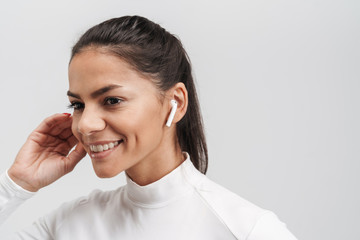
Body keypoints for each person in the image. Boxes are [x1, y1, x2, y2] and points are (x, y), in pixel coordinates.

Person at [0, 16, 297, 239]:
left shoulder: (247, 230)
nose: (86, 125)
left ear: (176, 103)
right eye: (77, 105)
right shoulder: (67, 226)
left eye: (112, 100)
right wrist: (16, 184)